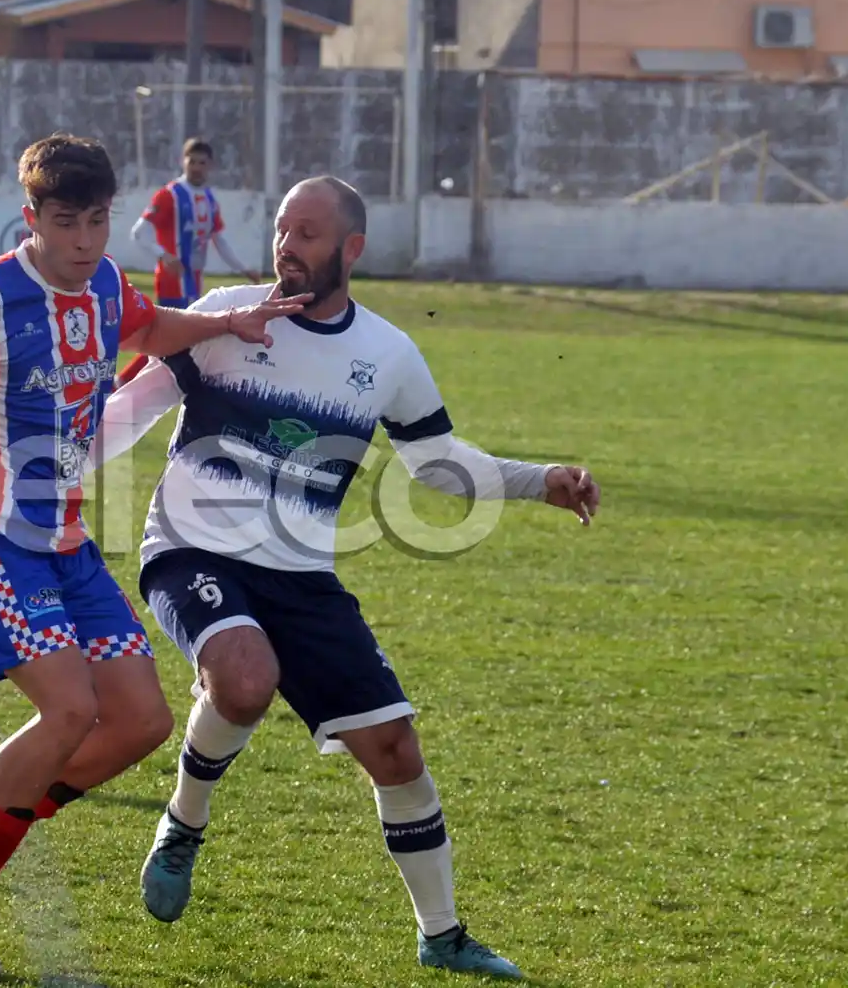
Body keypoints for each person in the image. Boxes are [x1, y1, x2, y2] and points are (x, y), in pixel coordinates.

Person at [0, 133, 309, 979]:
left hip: (65, 544)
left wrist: (229, 321)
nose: (85, 240)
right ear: (32, 218)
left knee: (143, 720)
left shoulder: (109, 284)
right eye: (67, 222)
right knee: (71, 711)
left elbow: (152, 326)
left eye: (98, 221)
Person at [89, 176, 602, 980]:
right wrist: (44, 477)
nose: (288, 246)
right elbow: (132, 405)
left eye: (309, 234)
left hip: (301, 574)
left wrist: (542, 480)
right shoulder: (228, 313)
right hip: (193, 551)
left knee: (395, 748)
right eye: (282, 230)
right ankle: (185, 822)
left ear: (351, 249)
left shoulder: (389, 353)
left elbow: (437, 463)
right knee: (246, 675)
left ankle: (442, 934)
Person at [121, 137, 261, 384]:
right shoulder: (169, 195)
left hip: (194, 280)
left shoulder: (208, 199)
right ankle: (127, 381)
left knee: (178, 338)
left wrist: (243, 268)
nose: (196, 166)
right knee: (170, 337)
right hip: (172, 279)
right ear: (182, 162)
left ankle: (145, 381)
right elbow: (138, 233)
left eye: (202, 162)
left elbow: (219, 240)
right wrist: (164, 255)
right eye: (192, 161)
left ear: (210, 166)